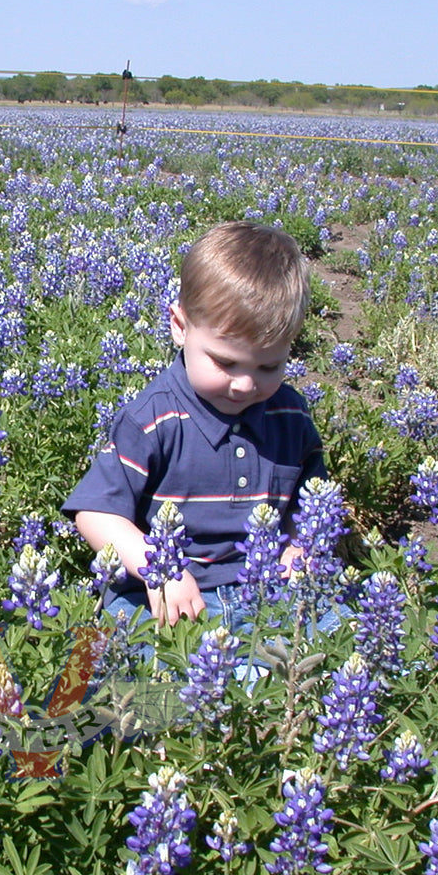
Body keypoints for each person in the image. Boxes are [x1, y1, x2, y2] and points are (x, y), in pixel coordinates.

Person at [63, 221, 326, 629]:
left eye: (269, 365)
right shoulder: (151, 419)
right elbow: (95, 513)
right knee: (107, 661)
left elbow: (307, 504)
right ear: (179, 327)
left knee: (351, 633)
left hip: (267, 586)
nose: (245, 384)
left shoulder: (290, 415)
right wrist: (160, 568)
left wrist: (302, 546)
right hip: (167, 591)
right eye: (225, 362)